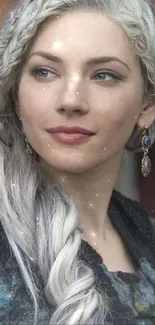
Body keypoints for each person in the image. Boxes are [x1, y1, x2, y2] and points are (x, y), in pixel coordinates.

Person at [0, 0, 155, 324]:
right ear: (15, 95)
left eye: (104, 75)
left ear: (146, 107)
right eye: (44, 72)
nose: (71, 101)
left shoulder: (147, 235)